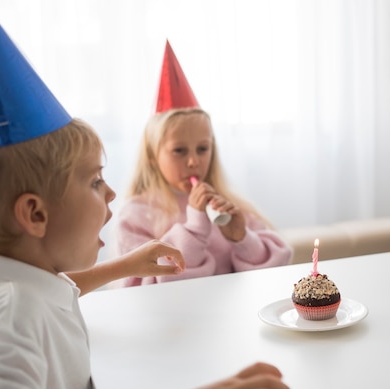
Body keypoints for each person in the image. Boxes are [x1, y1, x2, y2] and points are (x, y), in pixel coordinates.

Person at [0, 4, 295, 389]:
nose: (110, 193)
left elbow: (63, 289)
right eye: (94, 182)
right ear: (35, 215)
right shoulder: (11, 310)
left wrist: (123, 265)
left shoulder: (25, 285)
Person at [112, 41, 292, 287]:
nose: (193, 161)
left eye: (202, 149)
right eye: (179, 150)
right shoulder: (135, 215)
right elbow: (145, 289)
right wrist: (195, 229)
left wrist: (242, 238)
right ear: (153, 156)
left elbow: (276, 271)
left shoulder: (227, 205)